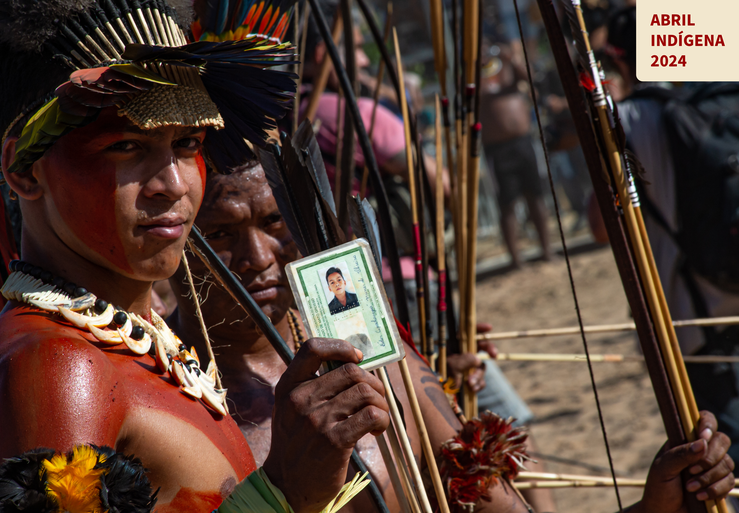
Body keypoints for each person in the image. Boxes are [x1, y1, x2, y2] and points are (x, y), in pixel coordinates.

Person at [0, 2, 391, 512]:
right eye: (127, 146)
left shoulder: (131, 339)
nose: (173, 185)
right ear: (23, 169)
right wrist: (286, 488)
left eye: (187, 142)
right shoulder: (59, 365)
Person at [168, 160, 736, 512]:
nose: (258, 257)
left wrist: (658, 505)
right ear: (177, 234)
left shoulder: (368, 345)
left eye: (274, 223)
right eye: (219, 234)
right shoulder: (166, 385)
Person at [606, 5, 739, 464]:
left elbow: (601, 223)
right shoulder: (724, 102)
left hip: (694, 329)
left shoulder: (626, 120)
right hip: (719, 312)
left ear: (621, 58)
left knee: (722, 463)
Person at [480, 39, 552, 268]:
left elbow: (531, 79)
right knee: (507, 203)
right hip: (496, 149)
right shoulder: (471, 75)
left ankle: (547, 250)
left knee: (536, 195)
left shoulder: (507, 66)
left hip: (522, 142)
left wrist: (512, 58)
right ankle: (516, 259)